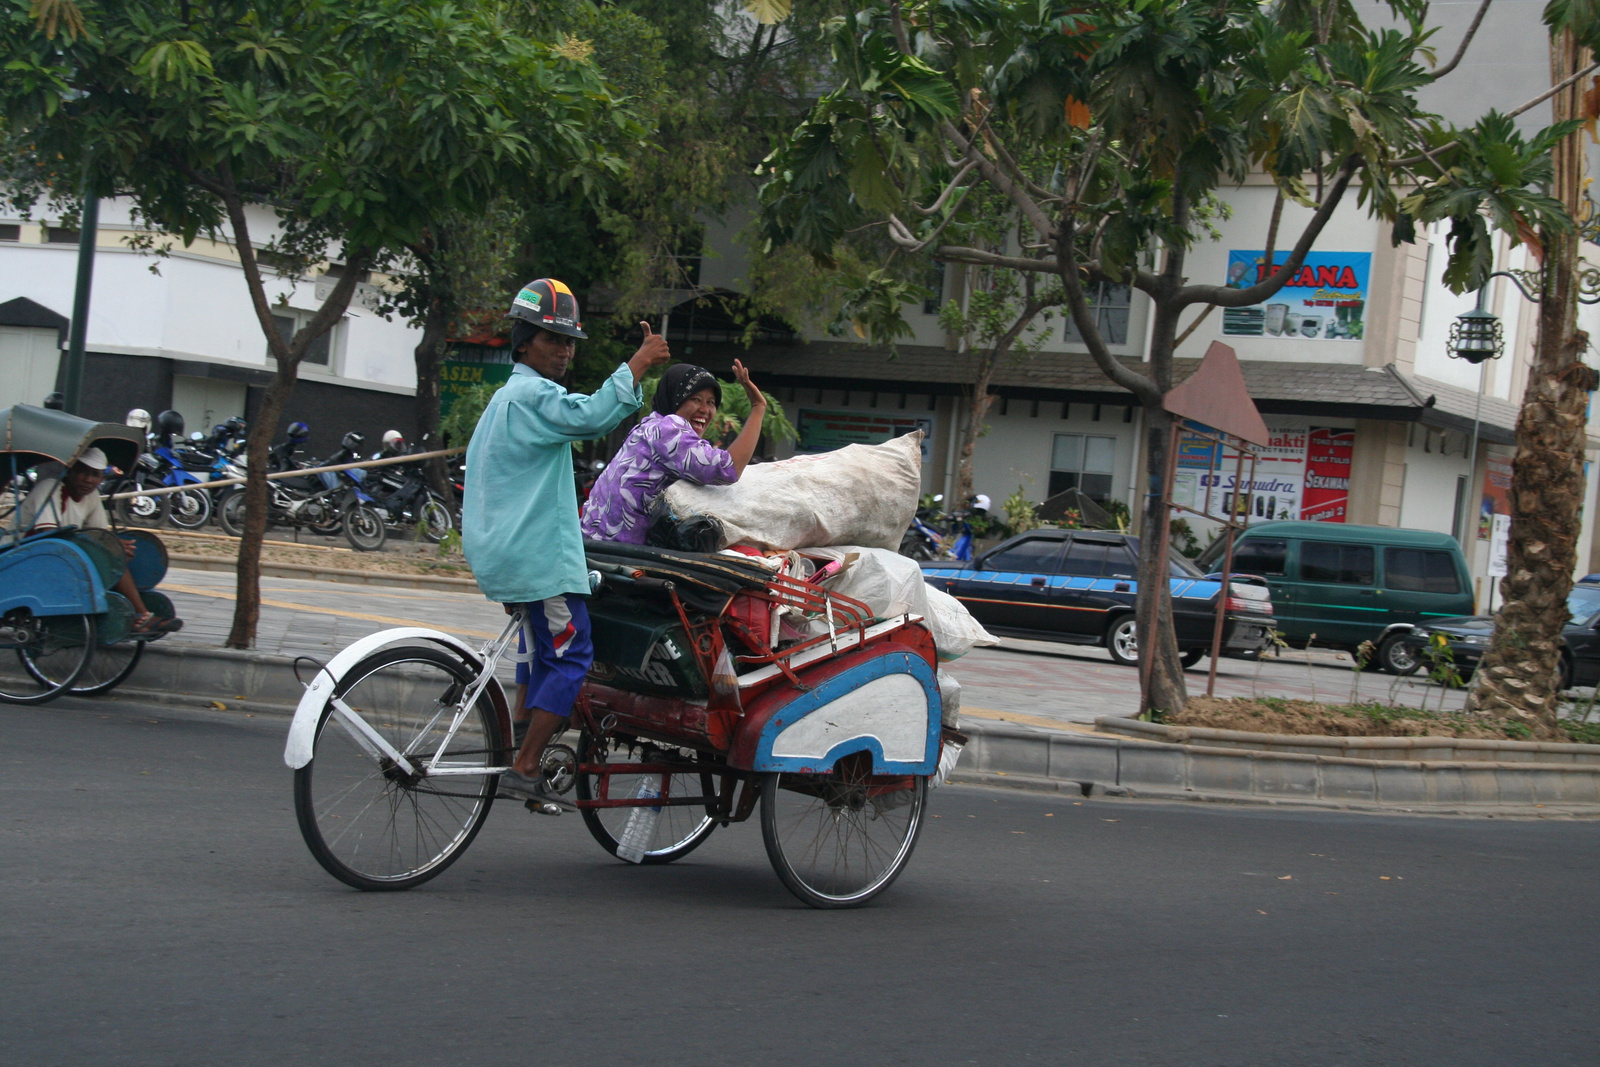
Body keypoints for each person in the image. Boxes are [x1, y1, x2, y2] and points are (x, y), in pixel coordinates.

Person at [461, 277, 670, 800]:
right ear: (524, 342)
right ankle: (526, 765)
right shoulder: (534, 395)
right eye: (553, 339)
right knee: (573, 652)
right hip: (536, 558)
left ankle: (516, 743)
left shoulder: (508, 398)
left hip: (506, 553)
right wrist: (640, 361)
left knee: (539, 651)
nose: (564, 350)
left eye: (569, 341)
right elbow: (592, 415)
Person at [580, 360, 767, 545]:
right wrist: (758, 408)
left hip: (593, 540)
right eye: (696, 399)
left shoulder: (650, 424)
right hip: (616, 548)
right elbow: (727, 468)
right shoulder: (668, 430)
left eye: (711, 402)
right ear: (675, 398)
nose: (704, 409)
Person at [16, 448, 183, 636]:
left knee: (115, 551)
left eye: (95, 475)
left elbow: (100, 535)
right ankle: (142, 615)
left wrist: (116, 545)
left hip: (60, 555)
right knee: (109, 553)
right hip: (25, 555)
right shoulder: (50, 488)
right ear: (70, 471)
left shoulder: (91, 496)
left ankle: (135, 613)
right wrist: (108, 547)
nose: (88, 480)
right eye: (83, 472)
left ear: (102, 479)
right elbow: (48, 536)